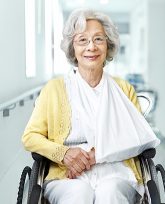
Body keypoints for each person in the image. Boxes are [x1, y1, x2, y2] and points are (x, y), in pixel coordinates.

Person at [22, 8, 151, 203]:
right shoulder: (54, 89)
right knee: (77, 195)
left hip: (116, 171)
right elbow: (30, 137)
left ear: (108, 45)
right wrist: (64, 154)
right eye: (82, 40)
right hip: (66, 173)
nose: (91, 47)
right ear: (73, 48)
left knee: (110, 194)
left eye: (98, 39)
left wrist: (97, 155)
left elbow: (139, 136)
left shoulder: (123, 89)